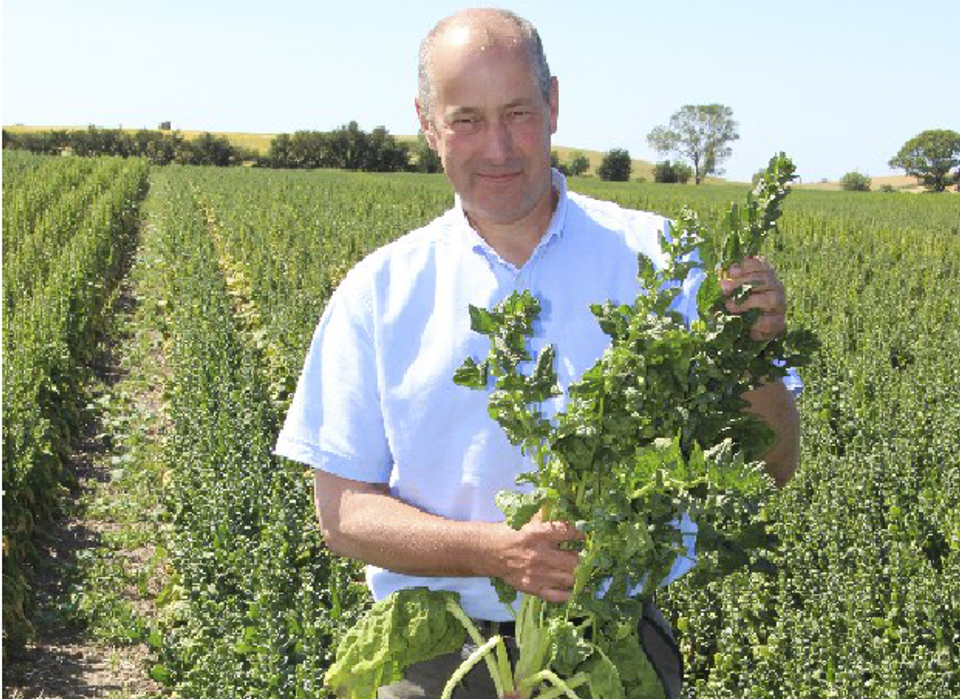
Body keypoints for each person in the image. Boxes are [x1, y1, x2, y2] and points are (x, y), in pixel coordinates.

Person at [275, 8, 800, 698]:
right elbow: (341, 512)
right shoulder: (380, 291)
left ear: (553, 105)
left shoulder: (665, 263)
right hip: (442, 657)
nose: (497, 147)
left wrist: (751, 353)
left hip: (613, 649)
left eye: (518, 112)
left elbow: (771, 463)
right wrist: (495, 552)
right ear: (428, 123)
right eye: (467, 119)